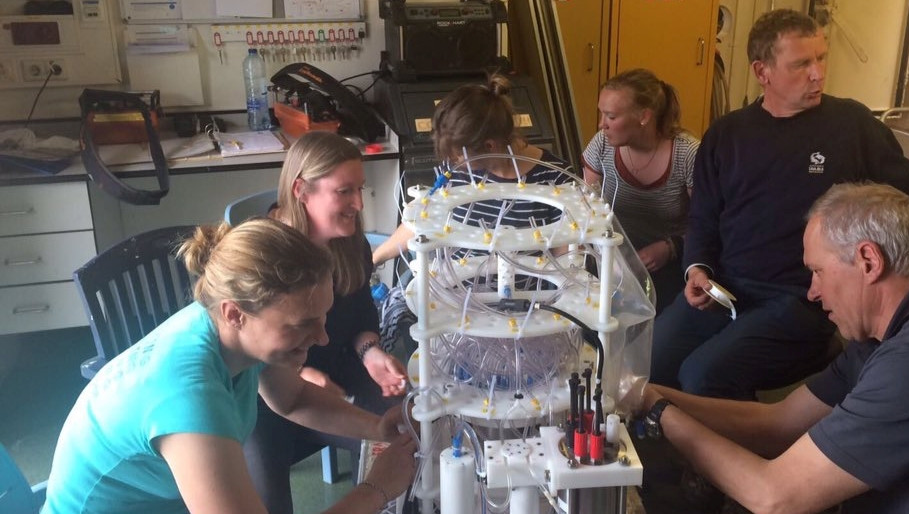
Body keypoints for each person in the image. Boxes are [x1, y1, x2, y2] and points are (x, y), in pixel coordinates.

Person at [651, 8, 909, 399]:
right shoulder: (727, 134)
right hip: (724, 290)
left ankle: (741, 458)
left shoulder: (851, 125)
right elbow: (704, 217)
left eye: (821, 58)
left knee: (702, 375)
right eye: (801, 64)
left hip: (800, 298)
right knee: (654, 359)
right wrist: (698, 270)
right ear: (763, 72)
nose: (817, 73)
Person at [640, 183, 909, 513]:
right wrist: (648, 394)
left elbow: (774, 497)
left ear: (869, 261)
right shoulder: (888, 331)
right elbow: (776, 425)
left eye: (818, 271)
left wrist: (657, 412)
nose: (812, 290)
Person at [43, 218, 417, 514]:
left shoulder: (235, 332)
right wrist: (376, 489)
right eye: (302, 324)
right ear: (234, 314)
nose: (321, 338)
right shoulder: (188, 396)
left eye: (323, 317)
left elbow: (294, 399)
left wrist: (376, 427)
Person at [243, 131, 410, 514]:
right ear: (301, 190)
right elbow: (250, 359)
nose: (357, 203)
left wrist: (371, 354)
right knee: (267, 504)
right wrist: (300, 376)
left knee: (404, 436)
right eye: (344, 191)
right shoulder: (262, 258)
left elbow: (360, 320)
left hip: (338, 377)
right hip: (264, 400)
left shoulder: (350, 244)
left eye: (360, 190)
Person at [372, 74, 574, 353]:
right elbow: (423, 223)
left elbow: (568, 264)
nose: (454, 166)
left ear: (490, 146)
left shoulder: (557, 181)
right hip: (455, 309)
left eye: (459, 157)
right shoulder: (460, 173)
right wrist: (375, 258)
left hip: (525, 315)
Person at [582, 68, 699, 315]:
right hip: (613, 258)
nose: (601, 124)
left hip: (669, 263)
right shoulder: (603, 143)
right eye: (601, 114)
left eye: (611, 117)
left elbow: (708, 223)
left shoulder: (687, 154)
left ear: (644, 116)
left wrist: (671, 248)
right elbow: (586, 206)